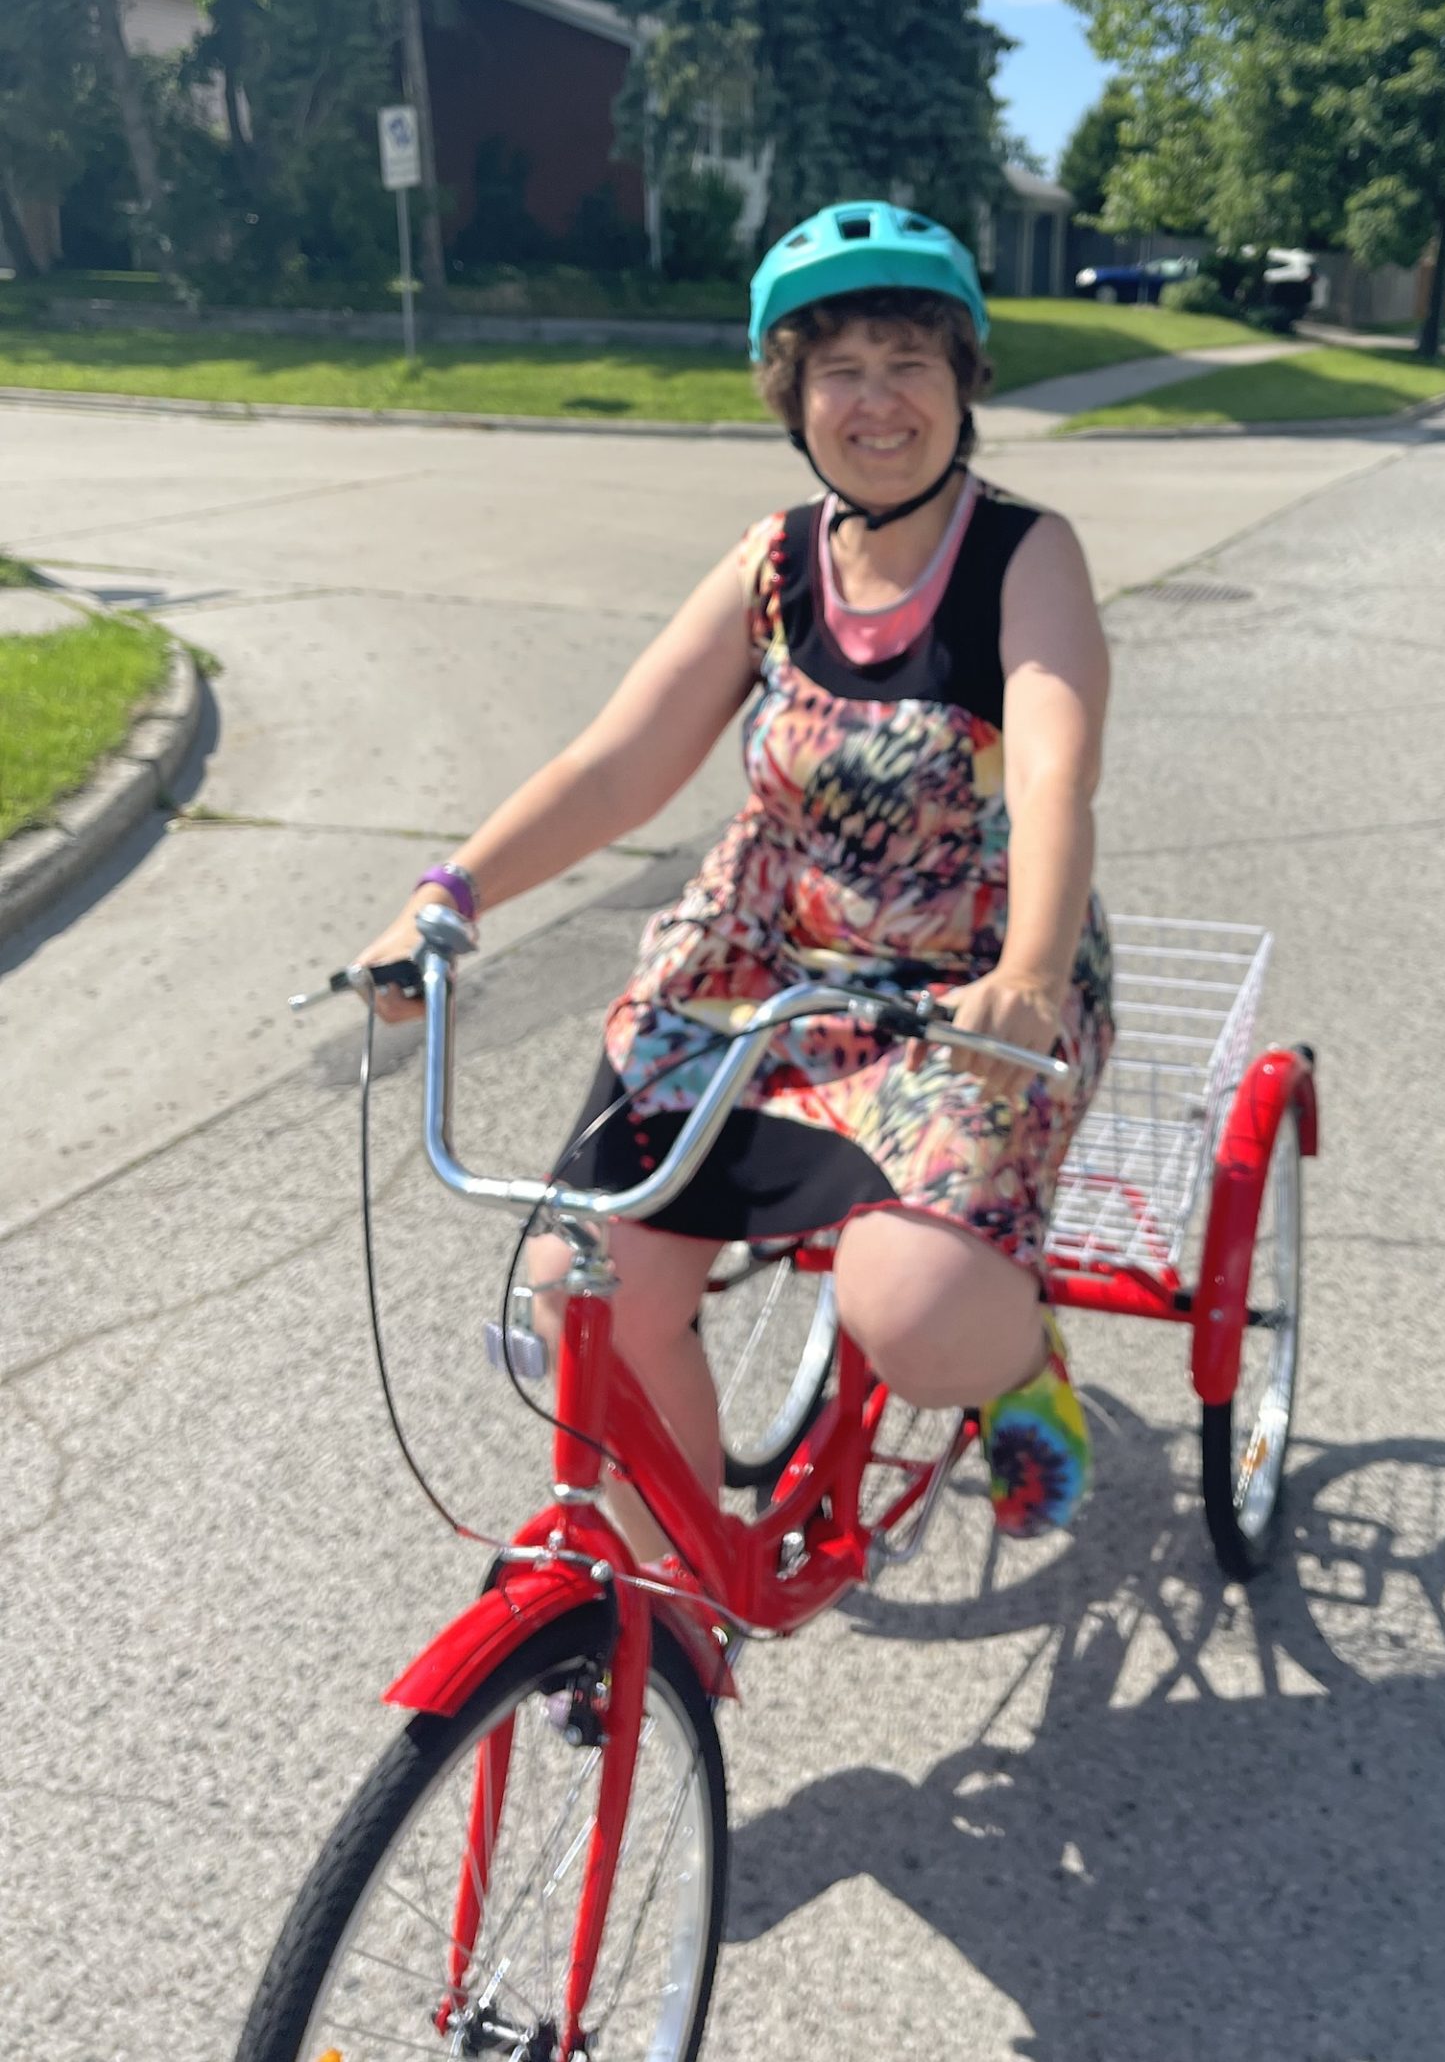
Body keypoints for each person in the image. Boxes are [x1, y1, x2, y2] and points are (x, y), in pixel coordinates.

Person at [357, 201, 1113, 1551]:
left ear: (964, 380)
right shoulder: (776, 563)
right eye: (839, 369)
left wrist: (1033, 978)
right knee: (580, 1279)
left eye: (909, 361)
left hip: (965, 985)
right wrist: (449, 897)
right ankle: (684, 1581)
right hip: (760, 964)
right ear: (791, 393)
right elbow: (616, 763)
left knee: (922, 1316)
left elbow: (1053, 772)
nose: (876, 401)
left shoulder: (1020, 555)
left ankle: (1014, 1357)